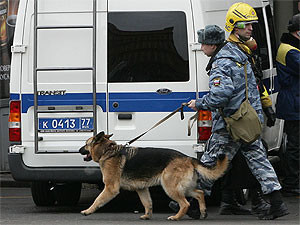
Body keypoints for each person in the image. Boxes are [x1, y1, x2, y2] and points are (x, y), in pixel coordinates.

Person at [188, 21, 288, 220]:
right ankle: (277, 202)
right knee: (259, 161)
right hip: (247, 119)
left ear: (213, 45)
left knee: (210, 162)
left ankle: (191, 204)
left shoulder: (221, 62)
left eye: (203, 44)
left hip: (230, 123)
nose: (201, 47)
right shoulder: (238, 55)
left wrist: (199, 103)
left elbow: (221, 94)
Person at [275, 13, 300, 196]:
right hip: (294, 103)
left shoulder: (292, 47)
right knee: (295, 145)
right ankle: (292, 183)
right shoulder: (290, 51)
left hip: (294, 101)